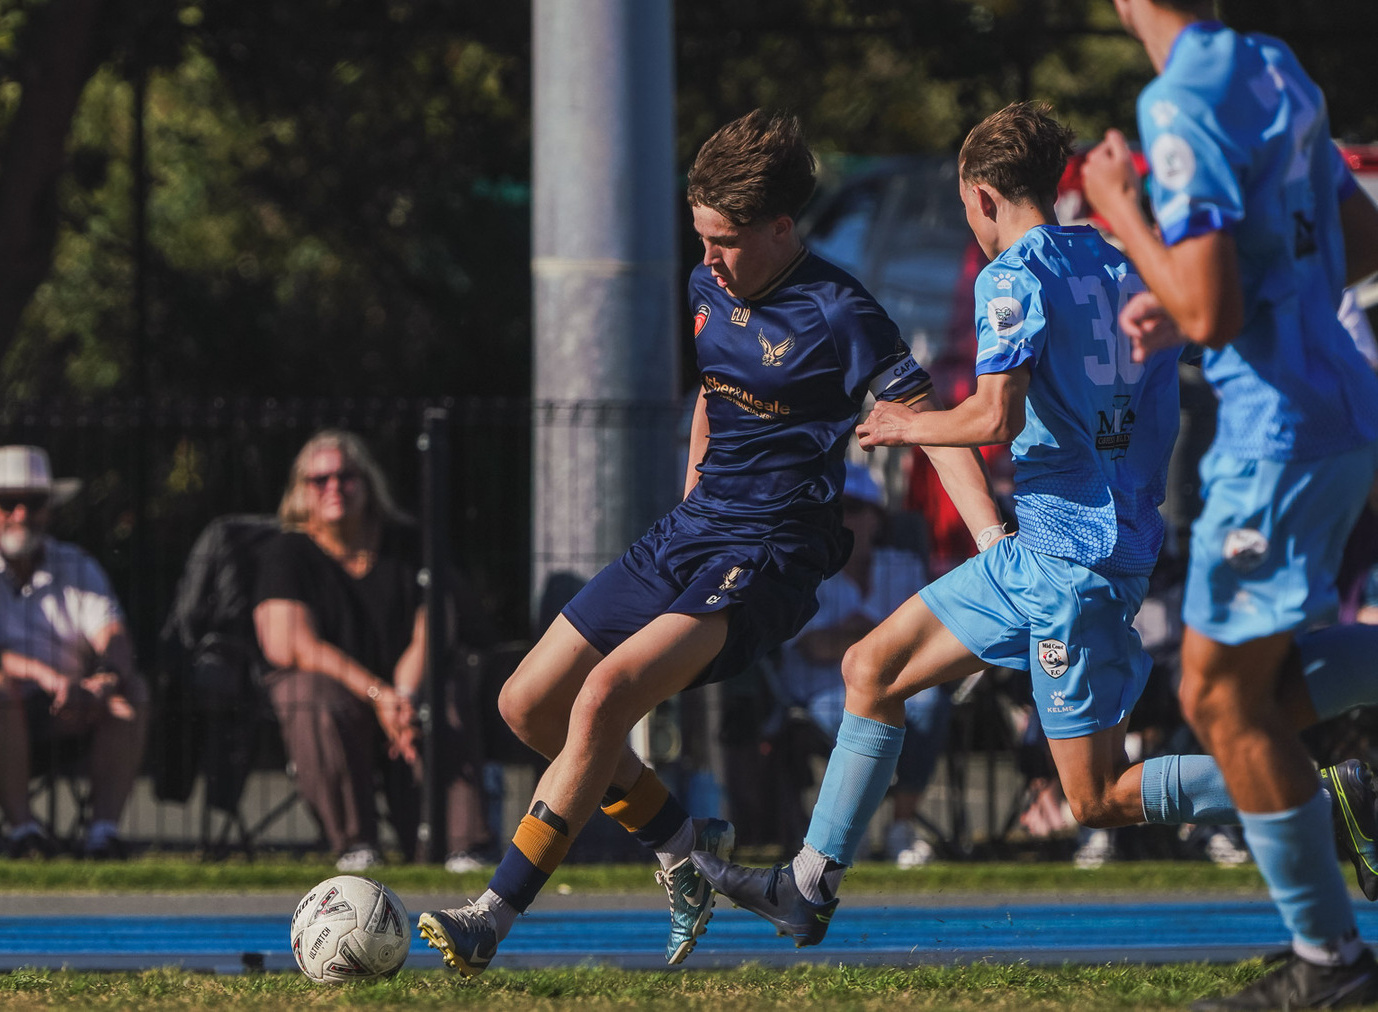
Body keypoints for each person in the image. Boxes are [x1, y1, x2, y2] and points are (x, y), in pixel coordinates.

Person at [698, 100, 1334, 952]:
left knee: (1097, 796)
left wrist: (900, 425)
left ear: (985, 196)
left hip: (1070, 565)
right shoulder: (1118, 264)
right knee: (871, 668)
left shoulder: (1012, 276)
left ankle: (1324, 793)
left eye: (968, 209)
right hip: (1056, 549)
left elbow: (995, 416)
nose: (972, 227)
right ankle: (808, 884)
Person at [417, 110, 1003, 976]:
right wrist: (692, 494)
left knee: (604, 695)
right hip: (692, 533)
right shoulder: (706, 287)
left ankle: (489, 919)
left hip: (770, 552)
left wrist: (989, 538)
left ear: (779, 227)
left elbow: (933, 428)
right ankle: (688, 847)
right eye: (699, 238)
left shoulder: (842, 311)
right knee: (526, 705)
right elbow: (712, 394)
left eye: (724, 241)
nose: (707, 259)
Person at [1082, 2, 1378, 1006]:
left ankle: (1328, 963)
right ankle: (1323, 954)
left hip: (1275, 433)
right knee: (1256, 688)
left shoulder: (1180, 99)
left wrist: (1117, 205)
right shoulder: (1271, 66)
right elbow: (1356, 237)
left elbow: (1212, 307)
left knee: (1218, 697)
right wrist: (1192, 306)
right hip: (1337, 407)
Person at [253, 429, 493, 873]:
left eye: (345, 476)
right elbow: (296, 646)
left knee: (445, 693)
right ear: (300, 491)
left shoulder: (408, 542)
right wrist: (379, 695)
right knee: (305, 694)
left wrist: (401, 696)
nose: (334, 487)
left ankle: (460, 847)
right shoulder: (286, 552)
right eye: (318, 480)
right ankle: (356, 845)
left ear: (367, 482)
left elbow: (433, 628)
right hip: (340, 692)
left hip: (405, 685)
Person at [0, 445, 147, 860]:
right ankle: (25, 834)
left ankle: (102, 835)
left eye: (33, 502)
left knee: (132, 692)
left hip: (62, 708)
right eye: (8, 503)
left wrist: (106, 678)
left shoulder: (75, 564)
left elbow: (114, 634)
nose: (22, 514)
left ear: (49, 509)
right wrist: (44, 676)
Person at [768, 464, 947, 868]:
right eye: (835, 509)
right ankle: (853, 827)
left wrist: (851, 639)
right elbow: (814, 647)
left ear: (877, 518)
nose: (842, 519)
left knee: (931, 705)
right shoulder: (807, 570)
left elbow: (926, 642)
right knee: (849, 719)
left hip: (897, 689)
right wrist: (879, 640)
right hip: (821, 690)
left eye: (853, 508)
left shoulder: (902, 566)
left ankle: (900, 828)